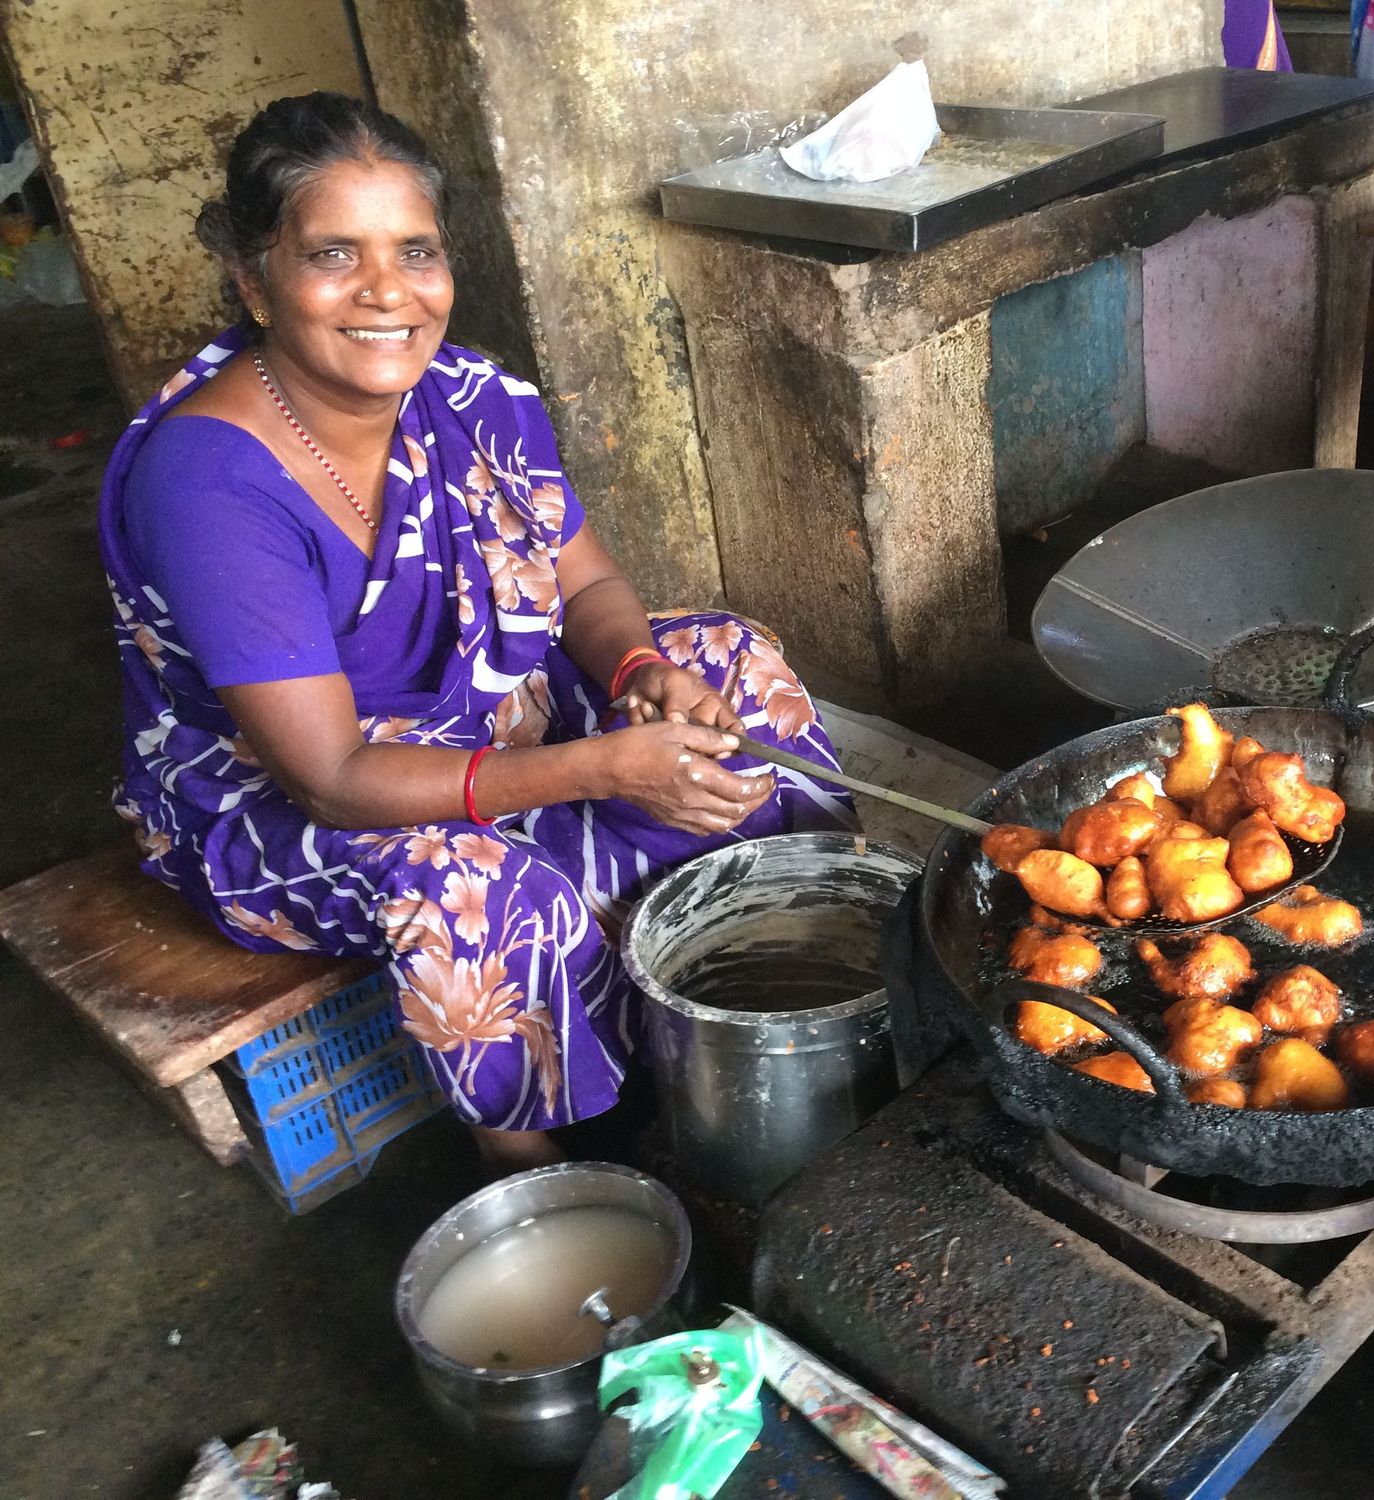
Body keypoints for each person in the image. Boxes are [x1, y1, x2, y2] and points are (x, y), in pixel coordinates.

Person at [98, 93, 852, 1174]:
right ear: (254, 281)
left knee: (729, 666)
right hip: (291, 797)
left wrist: (640, 670)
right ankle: (541, 1163)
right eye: (333, 255)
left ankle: (790, 990)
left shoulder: (470, 397)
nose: (387, 291)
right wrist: (601, 768)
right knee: (473, 886)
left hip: (490, 715)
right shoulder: (210, 478)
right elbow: (331, 780)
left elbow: (587, 583)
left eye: (415, 250)